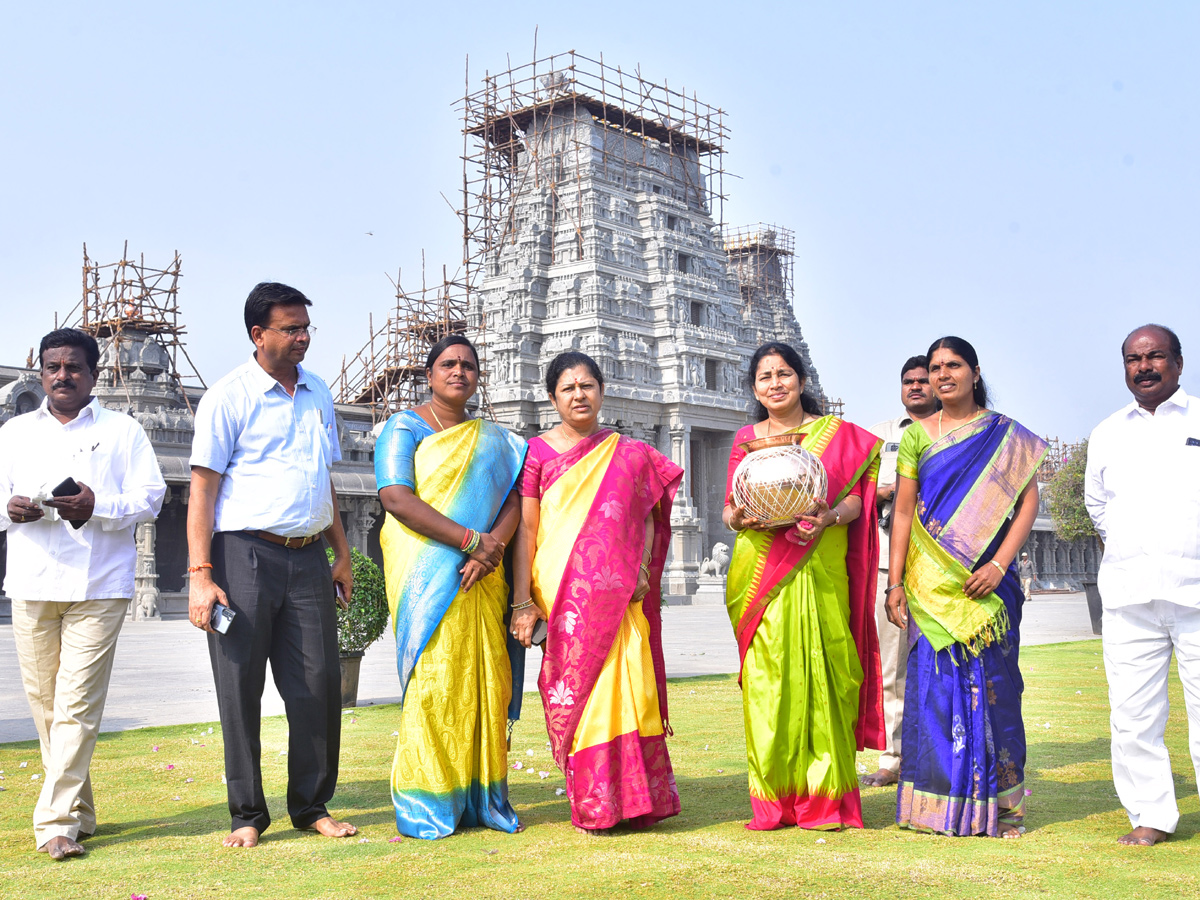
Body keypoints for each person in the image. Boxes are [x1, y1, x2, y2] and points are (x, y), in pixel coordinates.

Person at [187, 282, 357, 848]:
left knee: (318, 683)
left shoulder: (318, 393)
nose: (303, 336)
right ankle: (246, 814)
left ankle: (311, 805)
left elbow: (323, 481)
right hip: (243, 556)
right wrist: (202, 575)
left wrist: (342, 554)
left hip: (308, 556)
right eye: (290, 328)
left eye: (306, 326)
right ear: (258, 335)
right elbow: (203, 490)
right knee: (240, 685)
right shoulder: (229, 397)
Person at [0, 328, 165, 860]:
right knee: (48, 707)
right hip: (30, 580)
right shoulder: (15, 432)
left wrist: (98, 505)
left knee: (76, 704)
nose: (62, 376)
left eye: (74, 367)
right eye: (53, 367)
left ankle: (55, 824)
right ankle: (81, 810)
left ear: (94, 374)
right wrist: (11, 509)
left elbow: (151, 498)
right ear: (41, 373)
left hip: (99, 584)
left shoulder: (124, 430)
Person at [511, 351, 683, 833]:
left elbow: (646, 513)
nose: (578, 395)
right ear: (552, 398)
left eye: (587, 386)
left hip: (622, 589)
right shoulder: (537, 453)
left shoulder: (628, 452)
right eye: (567, 388)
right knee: (577, 692)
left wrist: (645, 569)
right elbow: (527, 529)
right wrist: (523, 599)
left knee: (627, 684)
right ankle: (597, 802)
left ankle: (638, 800)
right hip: (561, 590)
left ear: (602, 392)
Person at [886, 336, 1046, 838]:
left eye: (953, 365)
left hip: (990, 586)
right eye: (934, 368)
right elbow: (905, 513)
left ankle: (1004, 810)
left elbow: (1027, 503)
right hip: (931, 588)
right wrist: (894, 586)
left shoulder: (1006, 437)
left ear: (975, 372)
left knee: (997, 693)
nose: (942, 375)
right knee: (933, 695)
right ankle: (937, 807)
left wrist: (999, 565)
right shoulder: (916, 437)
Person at [723, 341, 884, 830]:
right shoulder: (745, 441)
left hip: (820, 564)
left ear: (801, 379)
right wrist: (741, 519)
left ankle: (825, 800)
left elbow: (856, 500)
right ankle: (774, 801)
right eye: (765, 376)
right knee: (768, 684)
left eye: (784, 373)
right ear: (754, 387)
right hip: (761, 573)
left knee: (827, 673)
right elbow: (731, 509)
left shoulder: (837, 437)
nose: (776, 383)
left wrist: (829, 515)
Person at [374, 334, 527, 839]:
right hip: (428, 570)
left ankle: (481, 798)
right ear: (429, 374)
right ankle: (429, 799)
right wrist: (468, 540)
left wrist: (491, 549)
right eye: (448, 364)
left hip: (484, 574)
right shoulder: (404, 427)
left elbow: (513, 501)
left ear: (478, 376)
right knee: (437, 683)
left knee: (485, 679)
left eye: (468, 365)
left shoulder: (496, 440)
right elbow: (396, 497)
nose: (458, 371)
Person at [1085, 323, 1199, 847]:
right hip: (1130, 594)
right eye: (1133, 359)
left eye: (1154, 356)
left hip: (1195, 588)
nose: (1144, 366)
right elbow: (1098, 506)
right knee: (1133, 714)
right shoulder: (1108, 431)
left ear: (1178, 362)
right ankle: (1150, 815)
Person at [859, 355, 937, 789]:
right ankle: (894, 756)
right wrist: (892, 490)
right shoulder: (881, 437)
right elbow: (856, 492)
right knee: (893, 667)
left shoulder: (957, 432)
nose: (916, 387)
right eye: (909, 381)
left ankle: (944, 751)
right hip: (891, 567)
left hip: (944, 569)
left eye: (924, 381)